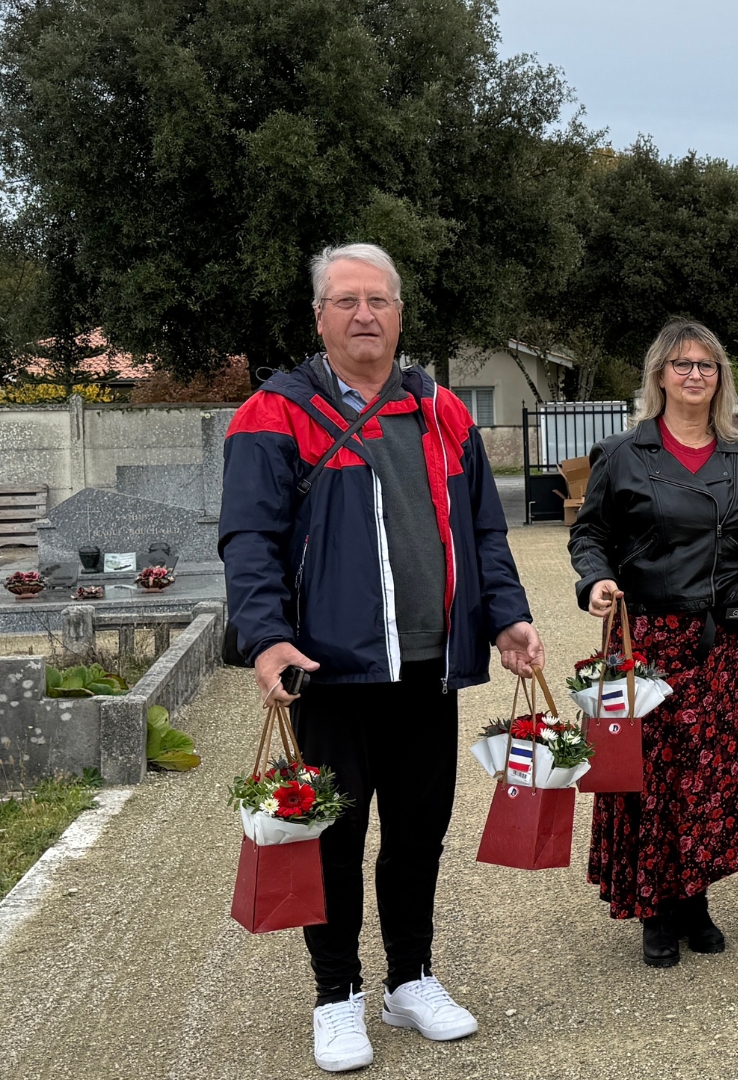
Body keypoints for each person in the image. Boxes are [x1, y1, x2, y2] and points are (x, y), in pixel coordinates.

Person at [221, 243, 543, 1073]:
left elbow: (483, 532)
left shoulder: (443, 412)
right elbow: (249, 539)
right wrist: (266, 636)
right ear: (319, 317)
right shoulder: (274, 412)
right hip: (329, 669)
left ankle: (411, 980)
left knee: (418, 832)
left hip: (429, 666)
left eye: (380, 300)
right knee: (332, 835)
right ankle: (337, 995)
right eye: (346, 300)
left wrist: (505, 616)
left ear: (401, 313)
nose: (365, 314)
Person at [569, 320, 738, 968]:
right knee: (649, 781)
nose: (694, 375)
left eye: (706, 365)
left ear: (719, 377)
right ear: (659, 375)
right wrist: (597, 579)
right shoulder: (622, 453)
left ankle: (695, 897)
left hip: (721, 645)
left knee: (713, 779)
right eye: (681, 364)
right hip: (647, 643)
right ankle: (656, 908)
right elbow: (590, 536)